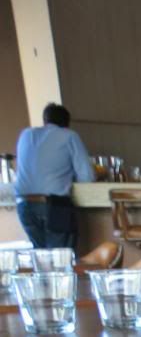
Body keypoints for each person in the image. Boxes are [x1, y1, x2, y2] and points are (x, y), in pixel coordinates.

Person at [15, 103, 95, 248]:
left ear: (45, 120)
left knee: (40, 256)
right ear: (66, 123)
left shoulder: (26, 134)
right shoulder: (69, 136)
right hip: (53, 205)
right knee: (61, 257)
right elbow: (87, 177)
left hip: (24, 206)